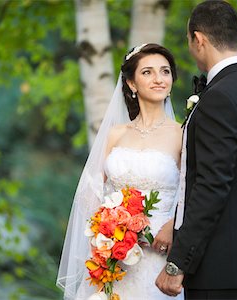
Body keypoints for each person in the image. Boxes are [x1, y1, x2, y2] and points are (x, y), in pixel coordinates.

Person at [156, 1, 237, 299]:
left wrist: (177, 264)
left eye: (189, 41)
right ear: (235, 36)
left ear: (199, 39)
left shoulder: (218, 99)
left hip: (215, 268)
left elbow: (213, 187)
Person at [57, 43, 184, 299]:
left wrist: (172, 226)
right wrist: (106, 228)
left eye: (165, 71)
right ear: (131, 83)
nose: (159, 79)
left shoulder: (182, 134)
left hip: (159, 256)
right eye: (148, 72)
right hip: (115, 259)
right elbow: (89, 190)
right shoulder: (115, 134)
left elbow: (192, 193)